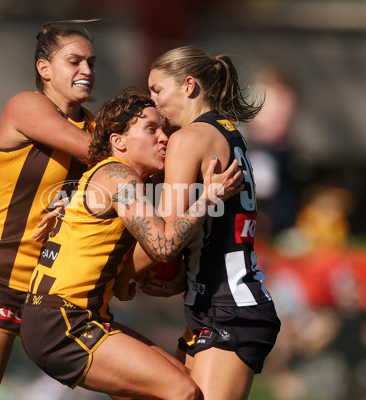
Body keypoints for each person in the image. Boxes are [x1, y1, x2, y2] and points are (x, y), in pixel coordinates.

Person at [20, 89, 243, 400]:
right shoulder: (117, 175)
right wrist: (208, 197)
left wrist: (131, 277)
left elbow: (124, 288)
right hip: (63, 322)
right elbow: (163, 246)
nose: (164, 138)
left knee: (181, 381)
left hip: (73, 317)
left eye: (165, 129)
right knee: (183, 392)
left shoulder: (111, 178)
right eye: (151, 129)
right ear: (118, 141)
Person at [0, 20, 98, 400]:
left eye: (91, 63)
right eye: (74, 61)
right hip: (0, 275)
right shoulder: (27, 107)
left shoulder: (94, 126)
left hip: (56, 291)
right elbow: (102, 156)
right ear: (44, 69)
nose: (87, 71)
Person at [146, 46, 281, 400]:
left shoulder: (187, 138)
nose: (152, 101)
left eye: (157, 90)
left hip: (229, 309)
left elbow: (166, 237)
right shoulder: (227, 132)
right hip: (220, 305)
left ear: (188, 85)